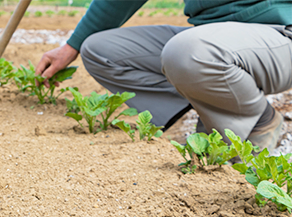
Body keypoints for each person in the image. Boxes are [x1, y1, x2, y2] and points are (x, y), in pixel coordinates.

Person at [35, 0, 292, 152]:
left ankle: (257, 120)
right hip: (212, 34)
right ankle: (214, 102)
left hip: (280, 34)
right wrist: (72, 46)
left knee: (188, 51)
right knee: (99, 50)